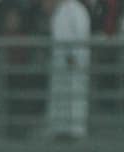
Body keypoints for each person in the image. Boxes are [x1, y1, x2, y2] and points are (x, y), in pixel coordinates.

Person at [43, 0, 91, 141]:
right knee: (74, 98)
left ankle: (66, 130)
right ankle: (72, 130)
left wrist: (71, 61)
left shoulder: (65, 11)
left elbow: (64, 40)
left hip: (68, 64)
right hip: (77, 63)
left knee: (67, 98)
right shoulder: (79, 9)